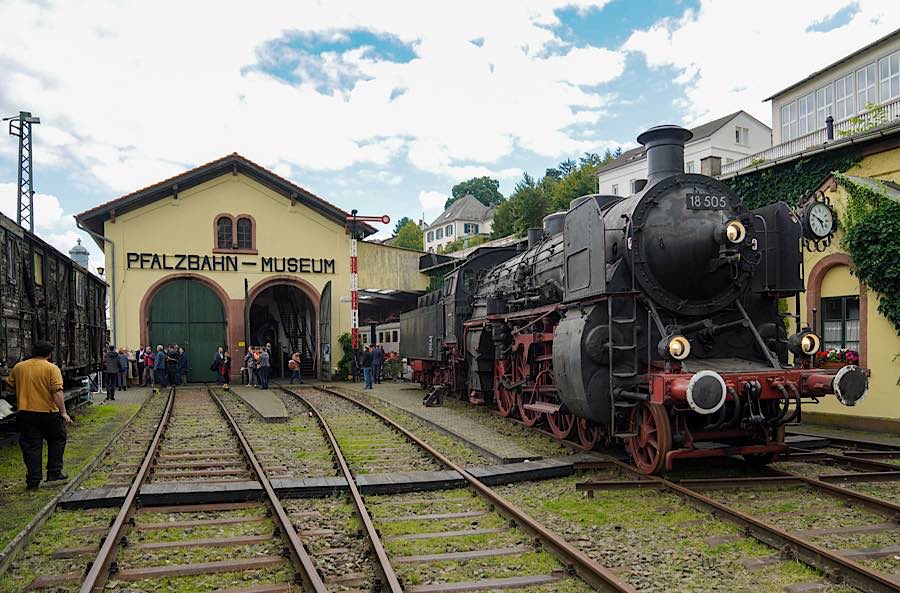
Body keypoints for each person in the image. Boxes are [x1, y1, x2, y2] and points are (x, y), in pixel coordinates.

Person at [3, 340, 73, 490]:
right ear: (49, 354)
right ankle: (54, 472)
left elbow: (9, 387)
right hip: (48, 412)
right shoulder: (52, 369)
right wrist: (63, 413)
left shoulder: (19, 367)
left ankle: (33, 480)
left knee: (31, 446)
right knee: (57, 439)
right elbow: (57, 392)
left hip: (26, 413)